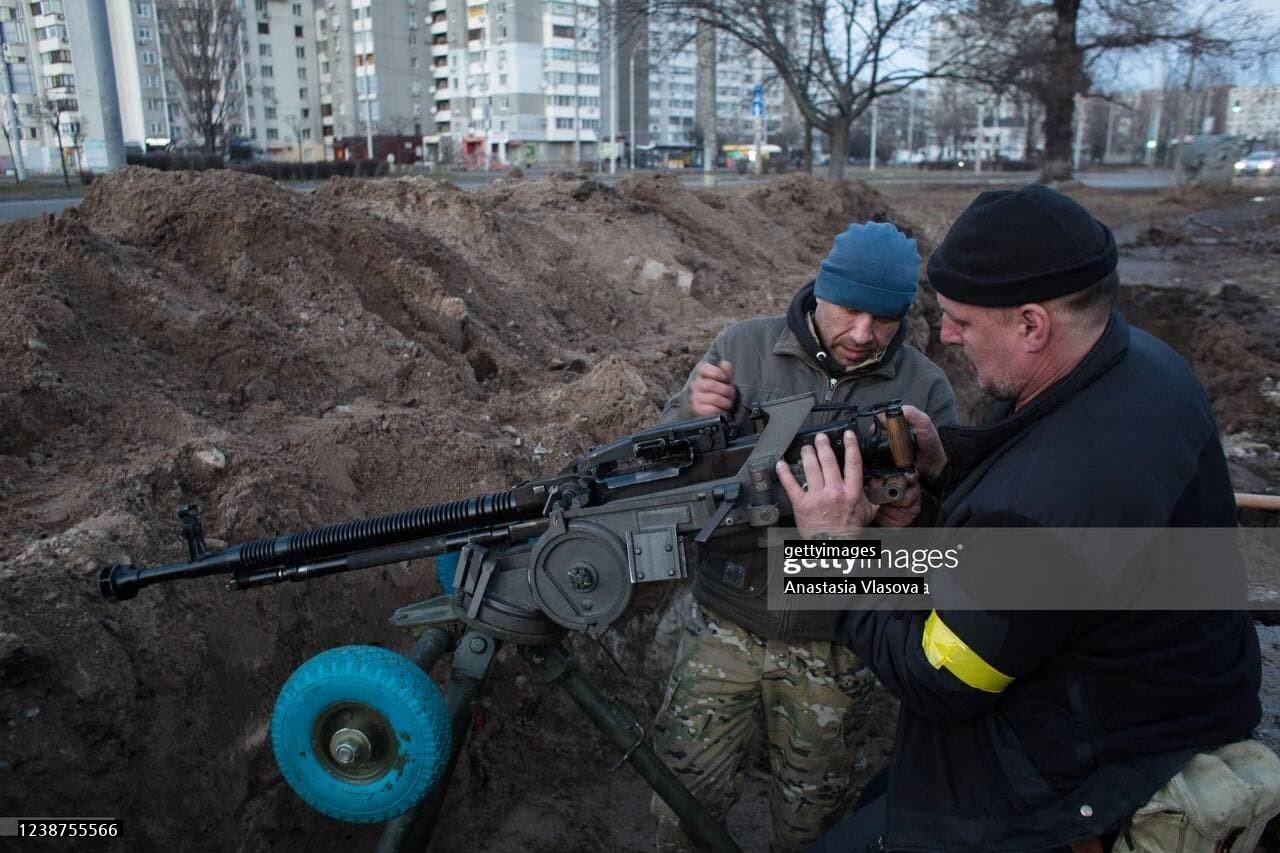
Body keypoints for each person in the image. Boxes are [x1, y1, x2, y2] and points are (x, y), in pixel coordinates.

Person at [782, 185, 1269, 852]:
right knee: (877, 798)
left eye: (960, 320)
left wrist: (831, 553)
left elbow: (939, 675)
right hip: (1151, 698)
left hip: (1080, 774)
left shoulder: (1063, 489)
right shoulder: (1143, 367)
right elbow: (1027, 518)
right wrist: (947, 461)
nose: (945, 335)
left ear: (1033, 324)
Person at [651, 221, 957, 851]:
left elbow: (948, 543)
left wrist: (910, 516)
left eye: (885, 319)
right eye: (849, 310)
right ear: (820, 289)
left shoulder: (925, 391)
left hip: (839, 644)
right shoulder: (745, 347)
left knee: (816, 820)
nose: (863, 334)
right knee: (681, 801)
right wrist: (688, 417)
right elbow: (661, 470)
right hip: (725, 625)